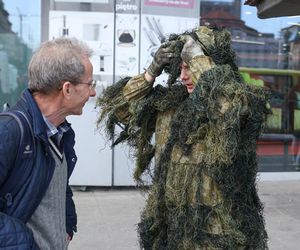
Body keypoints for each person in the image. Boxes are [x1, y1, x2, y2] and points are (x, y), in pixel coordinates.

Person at [97, 26, 269, 249]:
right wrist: (151, 71)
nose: (184, 76)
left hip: (215, 234)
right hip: (170, 229)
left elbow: (228, 110)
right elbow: (121, 110)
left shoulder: (239, 103)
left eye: (190, 68)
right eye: (180, 68)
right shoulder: (170, 104)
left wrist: (197, 58)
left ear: (212, 66)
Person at [0, 38, 96, 249]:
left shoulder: (60, 131)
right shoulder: (9, 131)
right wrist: (24, 243)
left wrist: (67, 225)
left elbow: (56, 185)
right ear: (67, 89)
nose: (93, 92)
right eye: (90, 84)